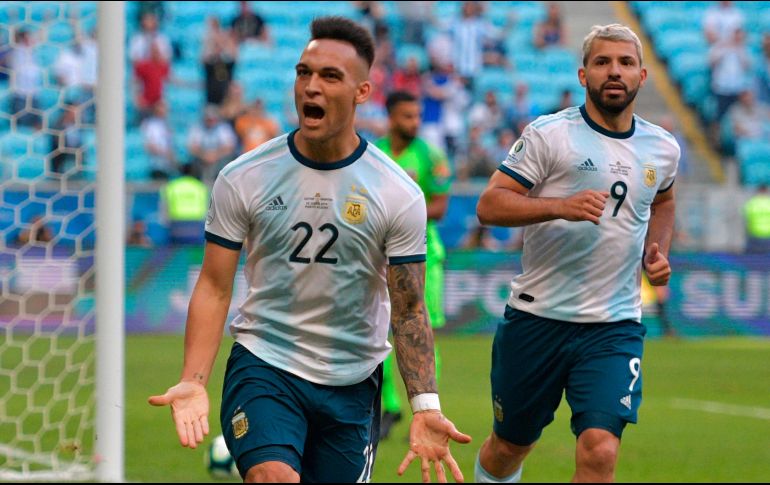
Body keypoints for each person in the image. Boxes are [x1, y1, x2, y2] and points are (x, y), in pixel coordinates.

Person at [149, 16, 470, 483]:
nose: (311, 87)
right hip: (266, 364)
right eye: (304, 73)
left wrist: (424, 405)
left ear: (362, 92)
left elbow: (408, 308)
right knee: (273, 477)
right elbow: (216, 285)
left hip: (353, 382)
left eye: (329, 76)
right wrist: (193, 381)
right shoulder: (245, 176)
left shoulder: (398, 193)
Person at [474, 24, 679, 482]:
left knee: (600, 449)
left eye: (625, 63)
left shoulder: (662, 148)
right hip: (537, 318)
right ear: (584, 74)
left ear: (642, 76)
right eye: (603, 62)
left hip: (613, 326)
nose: (614, 71)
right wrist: (557, 207)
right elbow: (489, 205)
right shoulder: (550, 135)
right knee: (509, 447)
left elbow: (663, 199)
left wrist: (657, 251)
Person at [374, 91, 453, 441]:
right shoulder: (373, 152)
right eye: (407, 116)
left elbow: (440, 206)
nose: (414, 122)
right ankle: (389, 406)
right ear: (391, 117)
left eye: (417, 116)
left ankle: (425, 405)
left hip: (425, 256)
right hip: (379, 255)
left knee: (422, 329)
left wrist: (401, 216)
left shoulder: (430, 155)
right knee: (380, 330)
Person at [743, 185, 770, 254]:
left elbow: (746, 219)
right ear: (767, 191)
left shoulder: (751, 203)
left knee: (753, 259)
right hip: (768, 235)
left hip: (754, 235)